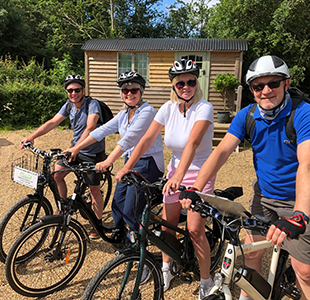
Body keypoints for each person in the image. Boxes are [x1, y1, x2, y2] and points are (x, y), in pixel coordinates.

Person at [180, 55, 310, 300]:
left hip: (299, 202)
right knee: (250, 254)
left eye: (274, 84)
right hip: (264, 197)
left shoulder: (303, 113)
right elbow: (222, 151)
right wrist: (195, 188)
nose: (266, 91)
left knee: (304, 271)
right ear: (251, 89)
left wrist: (300, 215)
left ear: (286, 84)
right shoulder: (247, 115)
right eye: (258, 86)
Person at [115, 59, 216, 300]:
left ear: (196, 83)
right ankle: (166, 268)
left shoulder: (204, 107)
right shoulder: (168, 108)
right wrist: (126, 167)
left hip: (200, 172)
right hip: (175, 171)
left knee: (193, 230)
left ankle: (206, 280)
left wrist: (179, 176)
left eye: (191, 81)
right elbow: (146, 140)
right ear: (173, 85)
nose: (186, 86)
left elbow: (193, 141)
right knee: (166, 226)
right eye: (180, 83)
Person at [64, 71, 164, 237]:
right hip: (130, 161)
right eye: (125, 90)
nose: (129, 93)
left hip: (148, 163)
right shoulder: (124, 113)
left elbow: (129, 139)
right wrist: (77, 148)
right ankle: (120, 236)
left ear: (141, 92)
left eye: (134, 90)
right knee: (117, 203)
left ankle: (137, 248)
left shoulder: (147, 112)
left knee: (130, 209)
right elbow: (101, 131)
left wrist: (108, 161)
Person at [21, 74, 106, 238]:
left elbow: (90, 128)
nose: (73, 93)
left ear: (83, 90)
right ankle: (62, 207)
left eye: (77, 90)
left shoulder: (92, 104)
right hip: (74, 149)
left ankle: (98, 222)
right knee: (55, 174)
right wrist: (32, 137)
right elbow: (52, 122)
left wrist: (77, 148)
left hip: (91, 152)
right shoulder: (69, 105)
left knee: (94, 189)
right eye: (70, 90)